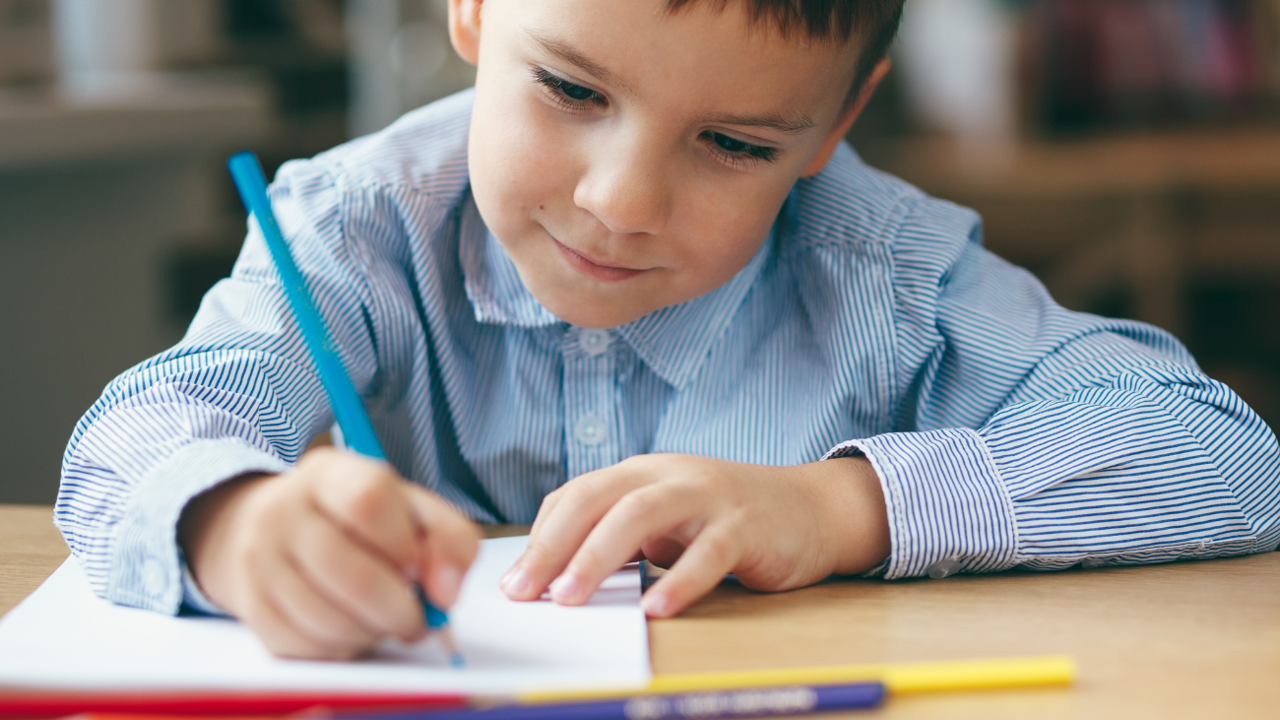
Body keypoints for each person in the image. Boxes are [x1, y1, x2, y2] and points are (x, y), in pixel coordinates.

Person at [57, 0, 1280, 661]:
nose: (620, 202)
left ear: (833, 122)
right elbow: (138, 435)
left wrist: (833, 509)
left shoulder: (883, 272)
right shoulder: (352, 230)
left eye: (737, 145)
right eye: (571, 90)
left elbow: (1221, 455)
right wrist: (231, 523)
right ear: (473, 9)